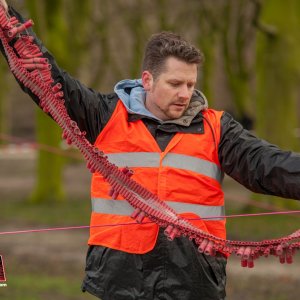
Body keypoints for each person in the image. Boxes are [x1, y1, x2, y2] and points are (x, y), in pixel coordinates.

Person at [1, 1, 300, 299]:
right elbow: (45, 78)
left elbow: (268, 165)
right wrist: (7, 20)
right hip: (120, 281)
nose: (185, 94)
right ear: (147, 80)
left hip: (195, 283)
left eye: (190, 84)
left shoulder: (218, 128)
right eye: (175, 84)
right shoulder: (105, 115)